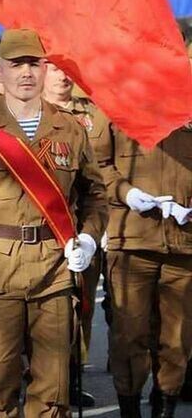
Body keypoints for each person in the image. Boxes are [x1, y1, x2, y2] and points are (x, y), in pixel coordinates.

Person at [0, 28, 108, 416]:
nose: (26, 73)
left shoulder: (69, 128)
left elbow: (95, 194)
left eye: (34, 63)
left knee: (52, 392)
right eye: (16, 64)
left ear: (44, 67)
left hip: (54, 270)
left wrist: (87, 238)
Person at [95, 93, 192, 418]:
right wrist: (127, 193)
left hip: (184, 242)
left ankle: (164, 408)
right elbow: (98, 164)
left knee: (178, 340)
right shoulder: (116, 100)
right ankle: (130, 409)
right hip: (132, 239)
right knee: (129, 335)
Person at [41, 60, 106, 407]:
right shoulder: (30, 114)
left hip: (82, 230)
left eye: (67, 69)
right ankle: (41, 373)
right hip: (43, 230)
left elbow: (105, 168)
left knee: (81, 307)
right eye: (54, 69)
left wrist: (100, 226)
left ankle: (71, 374)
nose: (63, 76)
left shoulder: (93, 114)